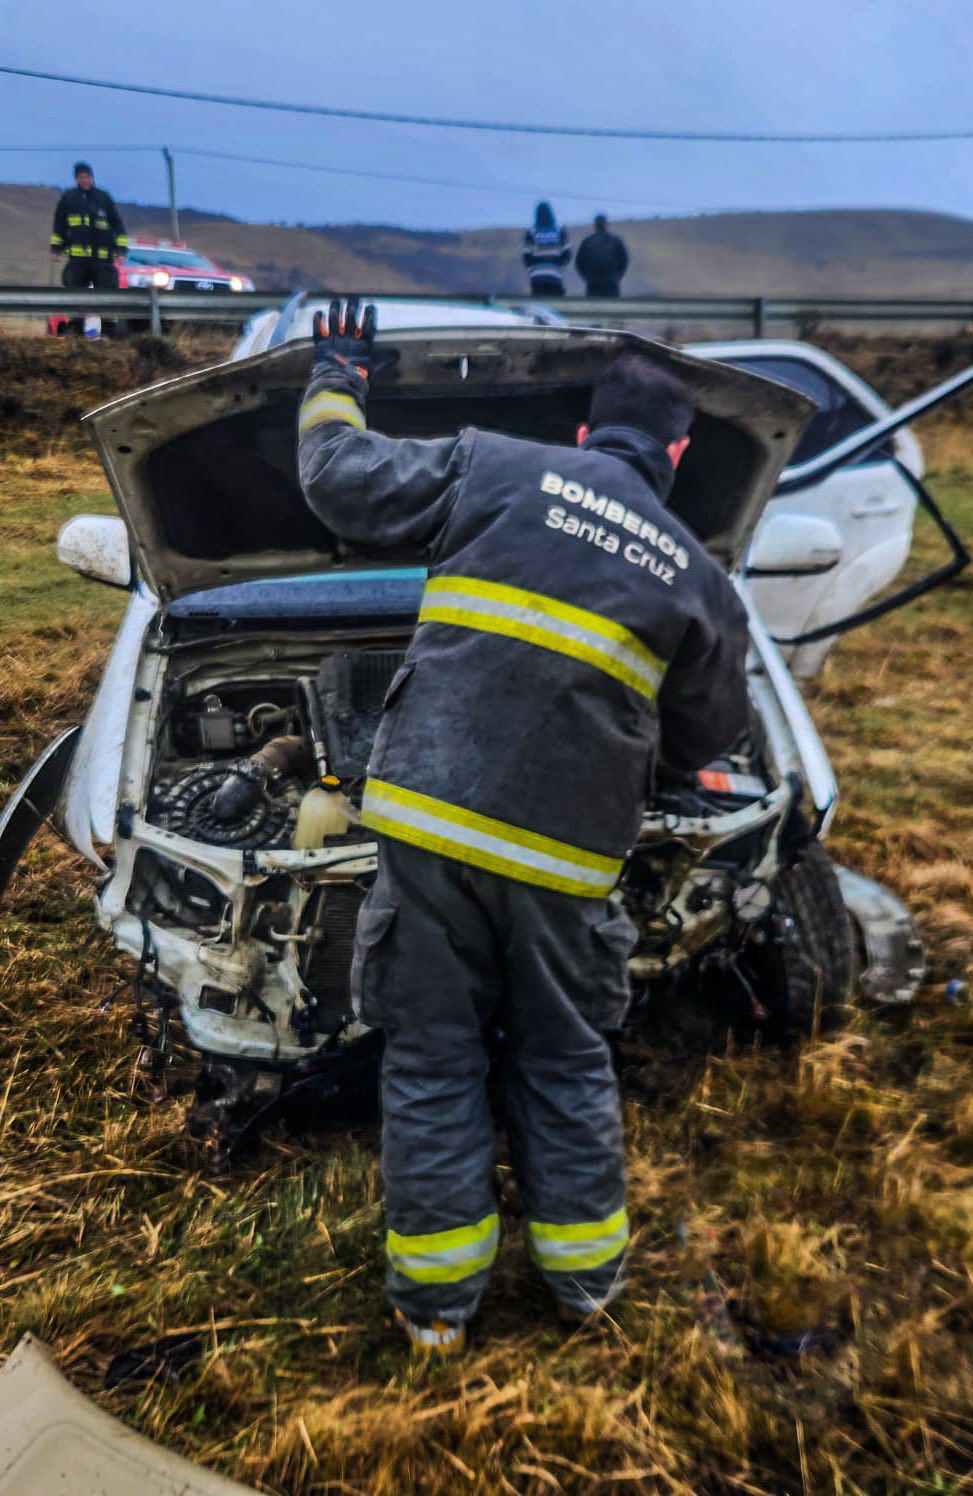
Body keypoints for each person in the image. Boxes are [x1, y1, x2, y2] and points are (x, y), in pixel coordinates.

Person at [298, 300, 748, 1356]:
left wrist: (338, 372)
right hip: (563, 854)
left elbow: (335, 478)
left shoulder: (493, 465)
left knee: (433, 1056)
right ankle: (586, 1283)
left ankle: (437, 1312)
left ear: (586, 434)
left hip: (431, 822)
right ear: (676, 455)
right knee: (561, 1053)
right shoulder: (699, 576)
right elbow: (706, 733)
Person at [50, 162, 128, 292]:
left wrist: (121, 250)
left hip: (102, 260)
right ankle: (78, 313)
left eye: (87, 177)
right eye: (81, 177)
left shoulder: (103, 198)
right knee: (74, 293)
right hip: (78, 260)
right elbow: (59, 226)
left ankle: (106, 313)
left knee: (107, 295)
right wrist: (56, 248)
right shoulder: (68, 199)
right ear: (76, 179)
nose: (85, 180)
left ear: (92, 178)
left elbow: (118, 225)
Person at [522, 201, 571, 297]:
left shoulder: (532, 232)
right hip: (555, 276)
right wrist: (560, 267)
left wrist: (532, 269)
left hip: (537, 278)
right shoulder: (559, 230)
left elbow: (526, 255)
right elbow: (567, 253)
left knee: (539, 308)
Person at [576, 214, 629, 298]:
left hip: (593, 282)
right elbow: (624, 261)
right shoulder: (615, 241)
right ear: (606, 225)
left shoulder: (587, 241)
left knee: (593, 308)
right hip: (611, 282)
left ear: (594, 226)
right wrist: (617, 277)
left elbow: (579, 263)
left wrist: (587, 278)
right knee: (612, 308)